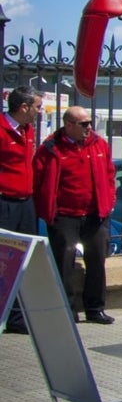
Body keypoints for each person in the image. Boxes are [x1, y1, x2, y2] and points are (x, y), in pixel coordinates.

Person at [33, 105, 118, 324]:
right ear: (68, 125)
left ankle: (95, 308)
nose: (89, 127)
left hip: (95, 214)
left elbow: (110, 175)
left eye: (90, 122)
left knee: (97, 261)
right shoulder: (51, 148)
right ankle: (66, 310)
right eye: (84, 124)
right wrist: (47, 210)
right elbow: (39, 179)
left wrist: (109, 202)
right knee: (65, 263)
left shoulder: (99, 144)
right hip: (65, 216)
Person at [1, 86, 43, 334]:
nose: (40, 111)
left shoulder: (27, 129)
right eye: (37, 106)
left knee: (23, 260)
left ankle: (18, 318)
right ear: (23, 107)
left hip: (25, 202)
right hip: (4, 202)